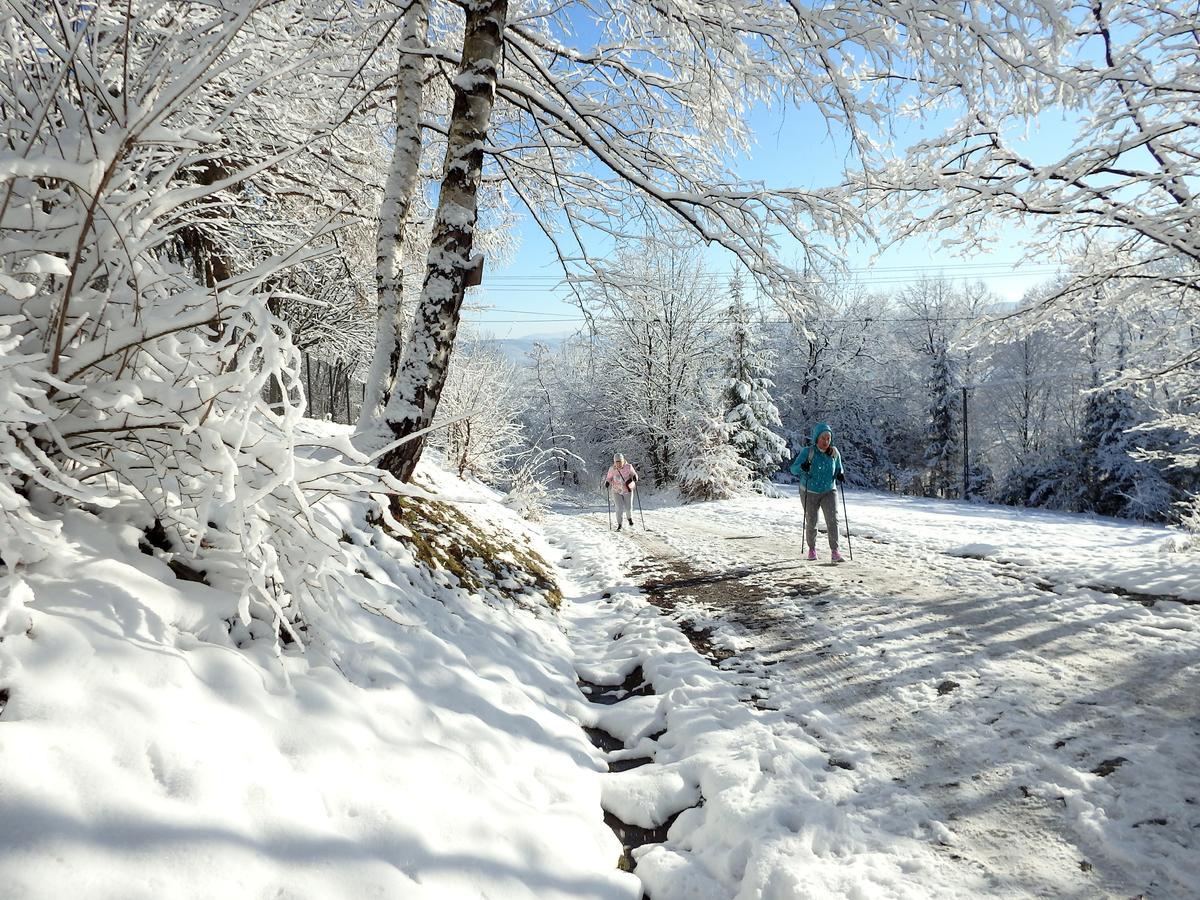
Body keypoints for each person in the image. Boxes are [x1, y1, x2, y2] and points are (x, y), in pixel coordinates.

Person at [789, 422, 846, 562]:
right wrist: (803, 467)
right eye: (823, 438)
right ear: (816, 438)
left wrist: (840, 474)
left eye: (828, 438)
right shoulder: (808, 452)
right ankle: (812, 549)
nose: (826, 441)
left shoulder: (834, 453)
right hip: (809, 490)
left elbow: (839, 468)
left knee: (833, 520)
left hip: (829, 490)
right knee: (812, 520)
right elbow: (793, 469)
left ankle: (835, 551)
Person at [603, 453, 638, 531]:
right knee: (619, 508)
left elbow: (634, 474)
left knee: (628, 508)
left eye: (620, 461)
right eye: (617, 462)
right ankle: (619, 524)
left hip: (627, 490)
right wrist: (607, 482)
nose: (618, 463)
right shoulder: (612, 469)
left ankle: (629, 518)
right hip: (616, 491)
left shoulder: (628, 467)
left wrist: (635, 477)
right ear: (614, 462)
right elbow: (609, 478)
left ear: (623, 460)